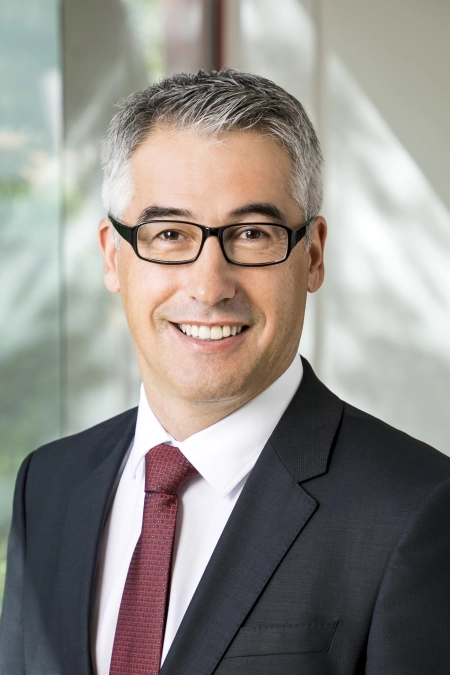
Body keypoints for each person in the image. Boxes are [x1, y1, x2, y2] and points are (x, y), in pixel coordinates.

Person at [1, 69, 449, 675]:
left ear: (313, 256)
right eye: (169, 234)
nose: (209, 286)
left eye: (252, 234)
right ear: (112, 255)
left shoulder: (416, 509)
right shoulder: (48, 485)